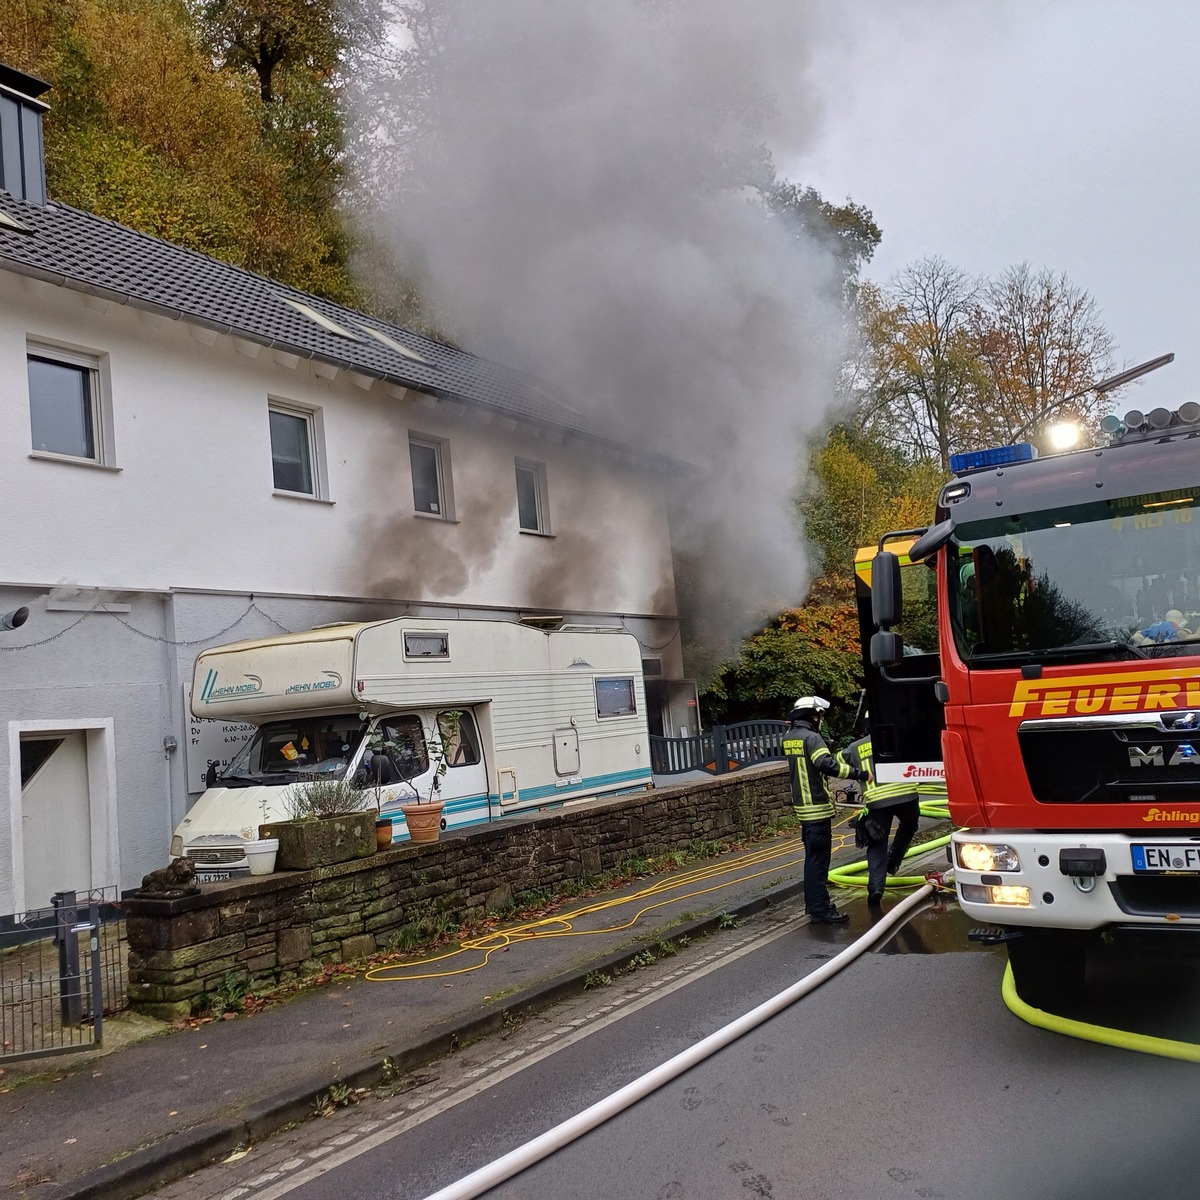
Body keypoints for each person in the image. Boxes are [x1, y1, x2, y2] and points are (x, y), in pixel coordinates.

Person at [783, 696, 870, 924]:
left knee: (812, 860)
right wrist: (859, 773)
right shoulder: (812, 738)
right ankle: (820, 910)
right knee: (819, 863)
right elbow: (826, 764)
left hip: (803, 809)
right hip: (817, 809)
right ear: (813, 716)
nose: (820, 720)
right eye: (819, 716)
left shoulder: (790, 737)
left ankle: (815, 905)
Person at [840, 715, 921, 906]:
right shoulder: (898, 737)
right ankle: (893, 861)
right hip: (906, 795)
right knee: (909, 825)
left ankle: (876, 888)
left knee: (877, 843)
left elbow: (835, 762)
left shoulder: (854, 747)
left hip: (877, 801)